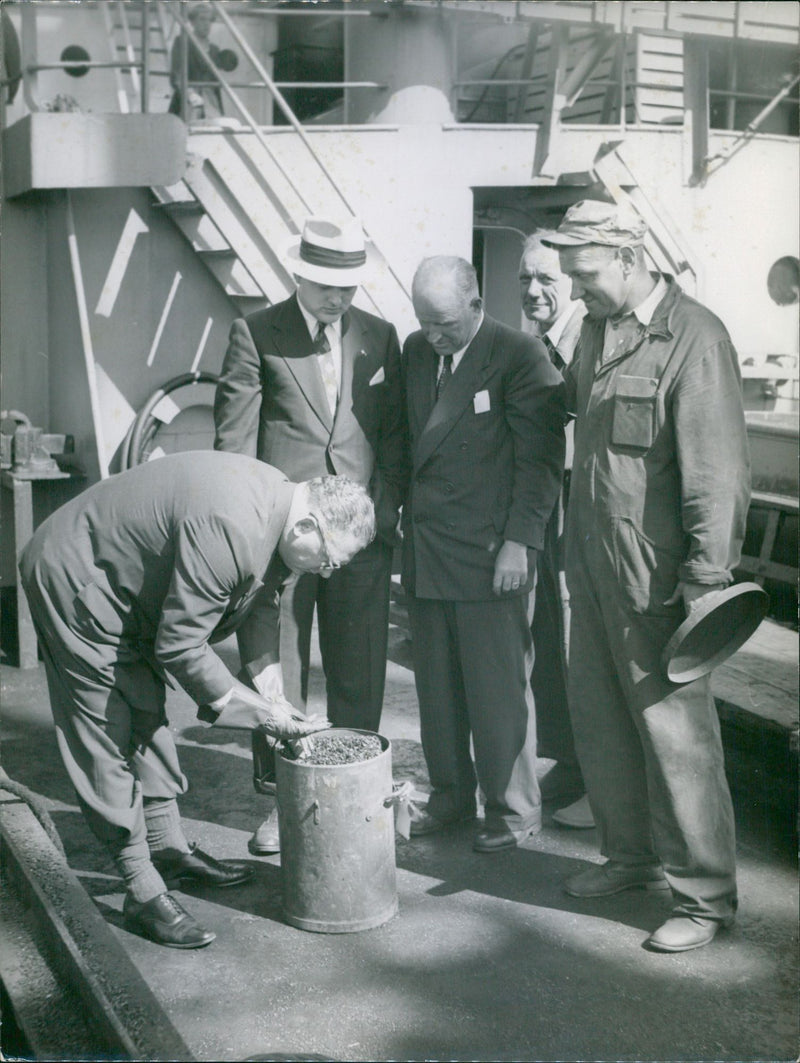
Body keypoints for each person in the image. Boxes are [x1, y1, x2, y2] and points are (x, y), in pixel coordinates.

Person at [19, 452, 375, 949]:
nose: (330, 573)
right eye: (331, 559)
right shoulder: (231, 525)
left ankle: (165, 848)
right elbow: (181, 646)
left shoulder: (282, 505)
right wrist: (263, 715)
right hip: (77, 579)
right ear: (307, 526)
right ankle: (140, 889)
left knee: (146, 709)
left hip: (130, 588)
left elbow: (260, 597)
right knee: (106, 726)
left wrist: (271, 686)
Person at [543, 200, 750, 953]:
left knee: (677, 738)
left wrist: (706, 577)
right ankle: (629, 859)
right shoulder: (599, 329)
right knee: (602, 723)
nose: (576, 292)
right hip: (593, 565)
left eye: (586, 275)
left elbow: (717, 475)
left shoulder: (695, 338)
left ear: (630, 259)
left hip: (660, 580)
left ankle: (703, 896)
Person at [213, 215, 408, 856]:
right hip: (284, 538)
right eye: (326, 284)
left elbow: (394, 437)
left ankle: (351, 786)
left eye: (348, 286)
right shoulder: (254, 333)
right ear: (298, 272)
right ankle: (284, 805)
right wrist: (246, 534)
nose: (337, 297)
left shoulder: (381, 337)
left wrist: (380, 513)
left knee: (359, 668)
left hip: (360, 538)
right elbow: (232, 444)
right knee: (279, 668)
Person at [401, 256, 565, 852]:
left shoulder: (519, 355)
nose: (433, 334)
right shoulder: (416, 352)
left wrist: (520, 543)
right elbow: (404, 444)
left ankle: (511, 812)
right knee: (438, 693)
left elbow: (541, 462)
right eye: (423, 321)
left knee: (497, 695)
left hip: (494, 553)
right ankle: (449, 797)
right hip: (427, 551)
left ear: (476, 306)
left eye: (444, 321)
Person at [518, 231, 593, 830]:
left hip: (580, 504)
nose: (534, 290)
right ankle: (572, 759)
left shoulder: (586, 337)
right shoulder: (533, 343)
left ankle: (601, 775)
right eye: (525, 278)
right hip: (544, 503)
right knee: (550, 632)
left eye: (547, 278)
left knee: (576, 634)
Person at [168, 2, 224, 120]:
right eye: (202, 19)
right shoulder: (182, 42)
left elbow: (215, 82)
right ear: (192, 22)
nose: (207, 24)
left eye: (209, 20)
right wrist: (190, 94)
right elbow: (176, 75)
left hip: (210, 103)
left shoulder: (214, 50)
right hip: (187, 101)